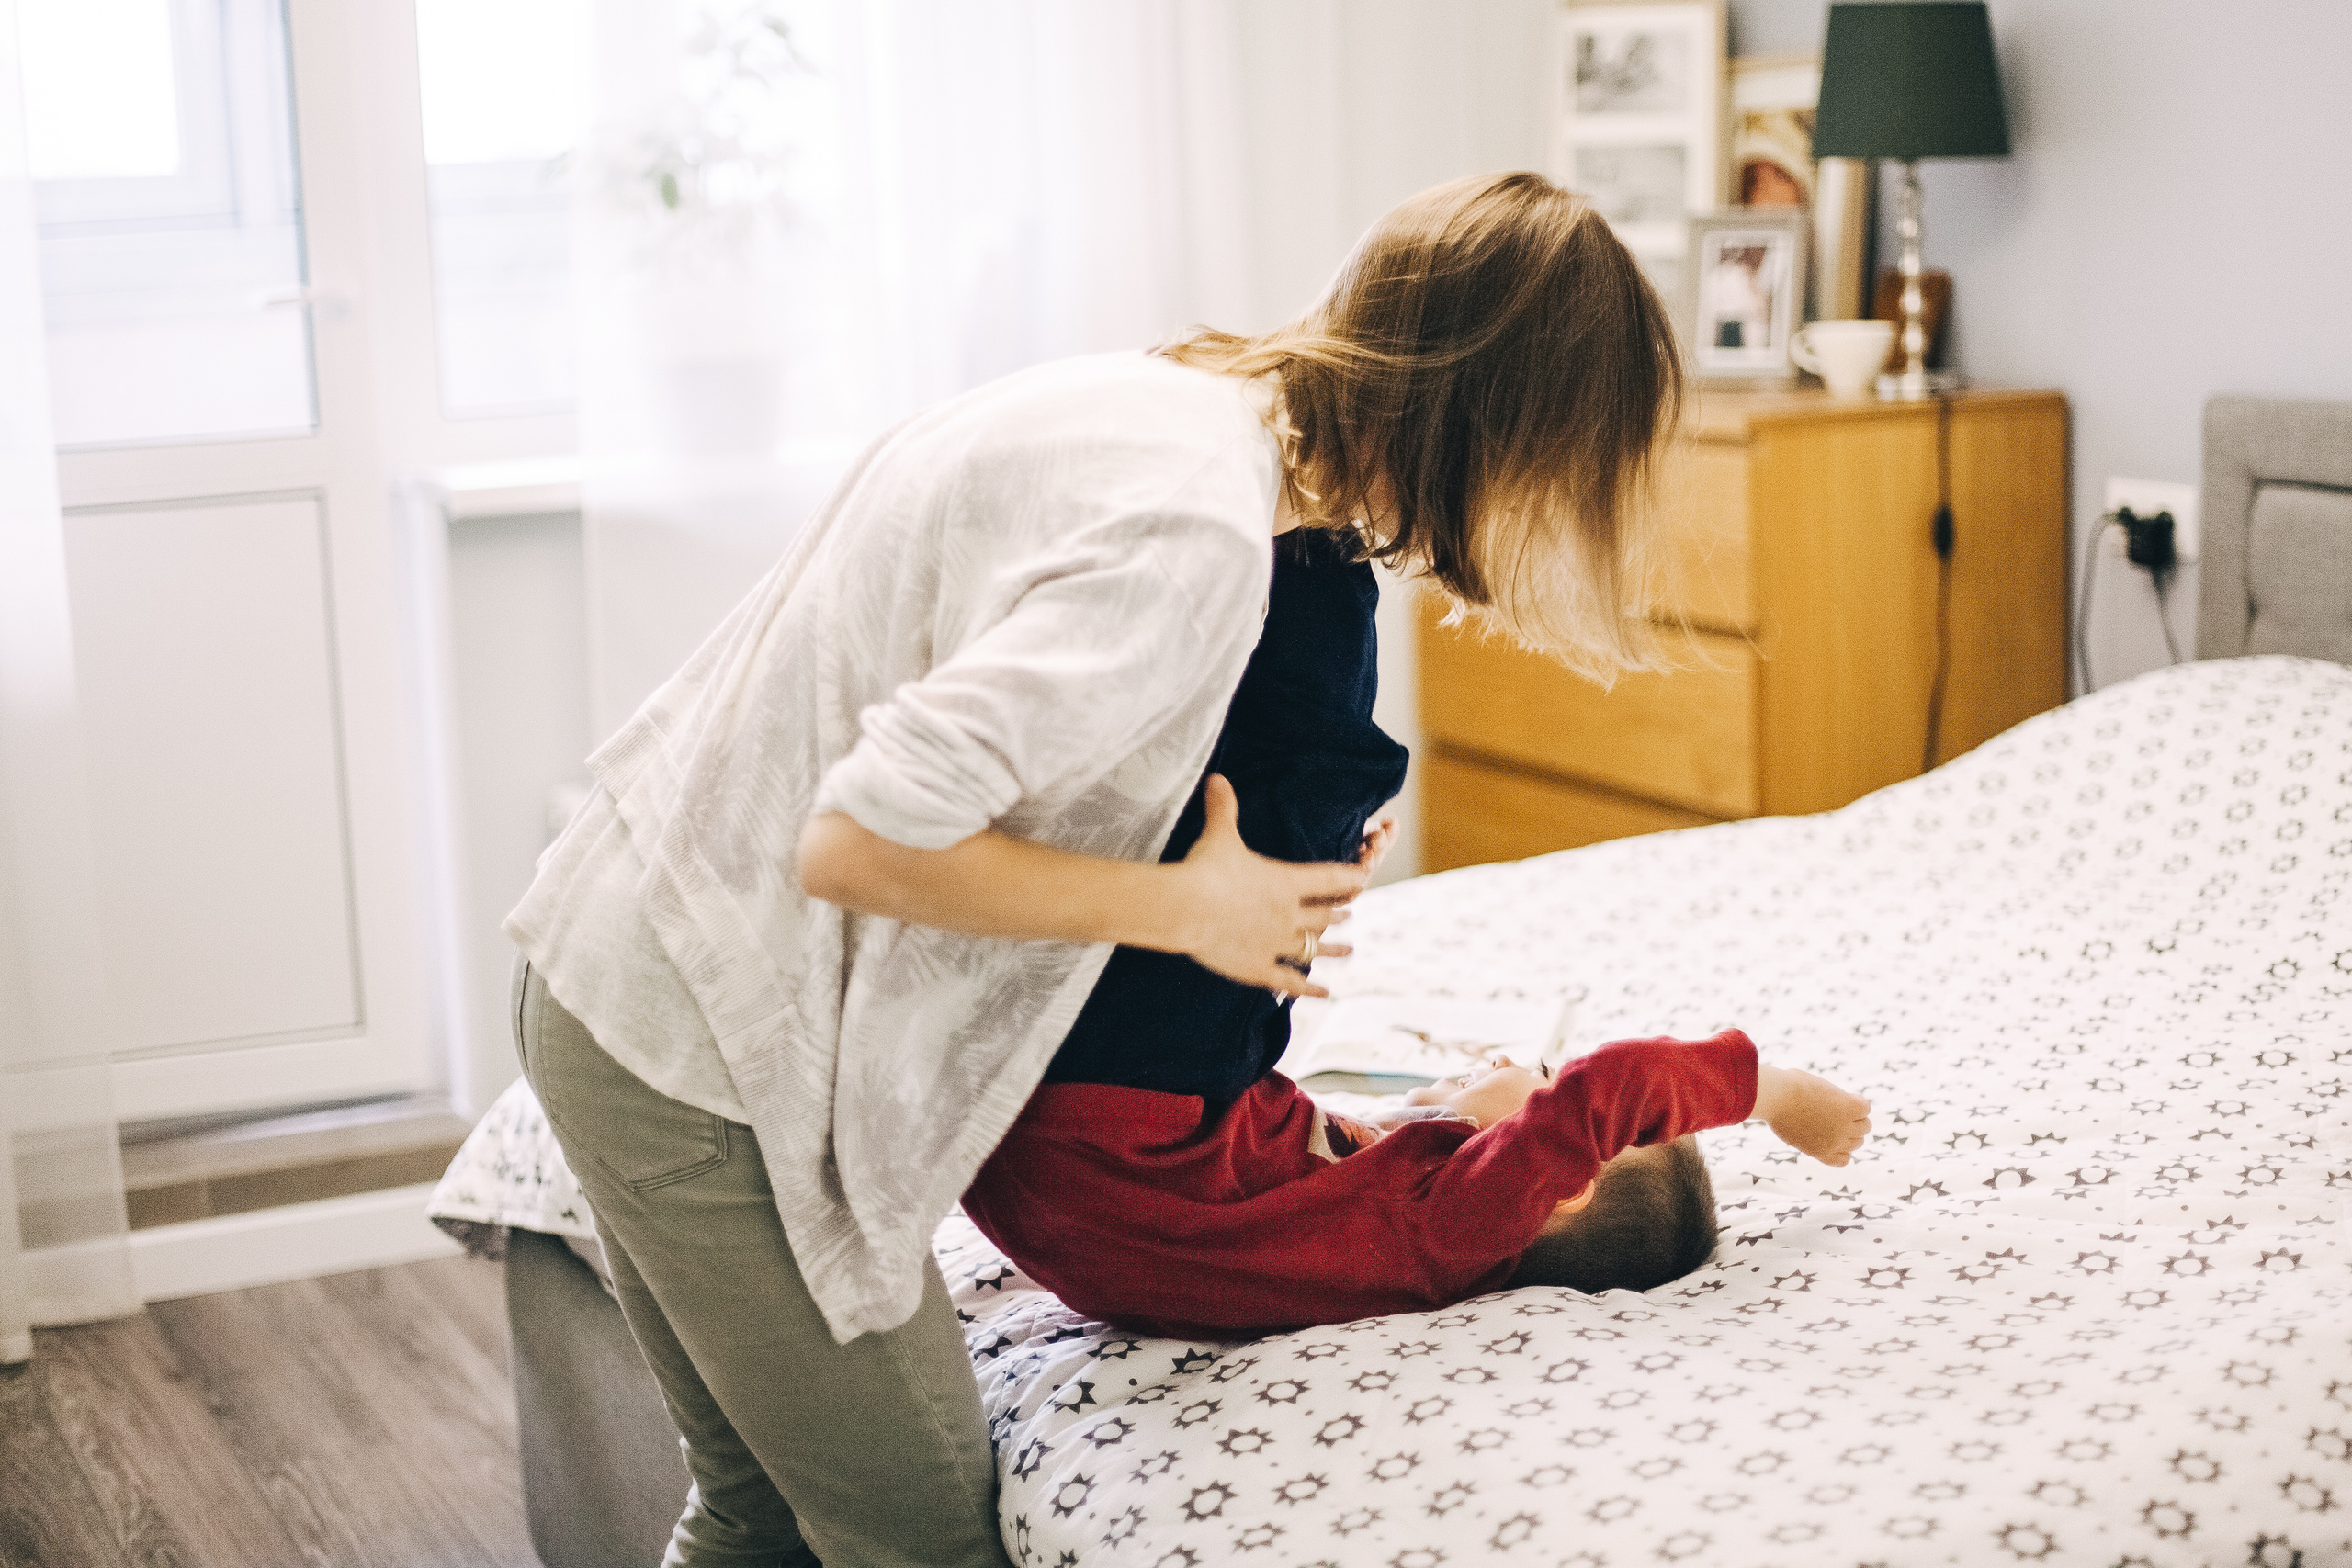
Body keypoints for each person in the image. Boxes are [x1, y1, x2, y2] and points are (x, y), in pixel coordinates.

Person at [505, 170, 1681, 1568]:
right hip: (698, 1046)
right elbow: (860, 837)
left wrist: (1235, 858)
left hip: (614, 946)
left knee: (759, 1513)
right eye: (1558, 472)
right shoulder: (1195, 524)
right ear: (1498, 426)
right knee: (932, 1523)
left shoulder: (1169, 405)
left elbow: (1020, 726)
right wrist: (1190, 904)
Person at [962, 1032, 1871, 1340]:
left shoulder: (1459, 1226)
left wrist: (1774, 1095)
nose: (1521, 1064)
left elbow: (1615, 1089)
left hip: (1111, 1133)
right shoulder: (1396, 1240)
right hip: (1039, 1202)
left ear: (1561, 1189)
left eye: (1544, 1078)